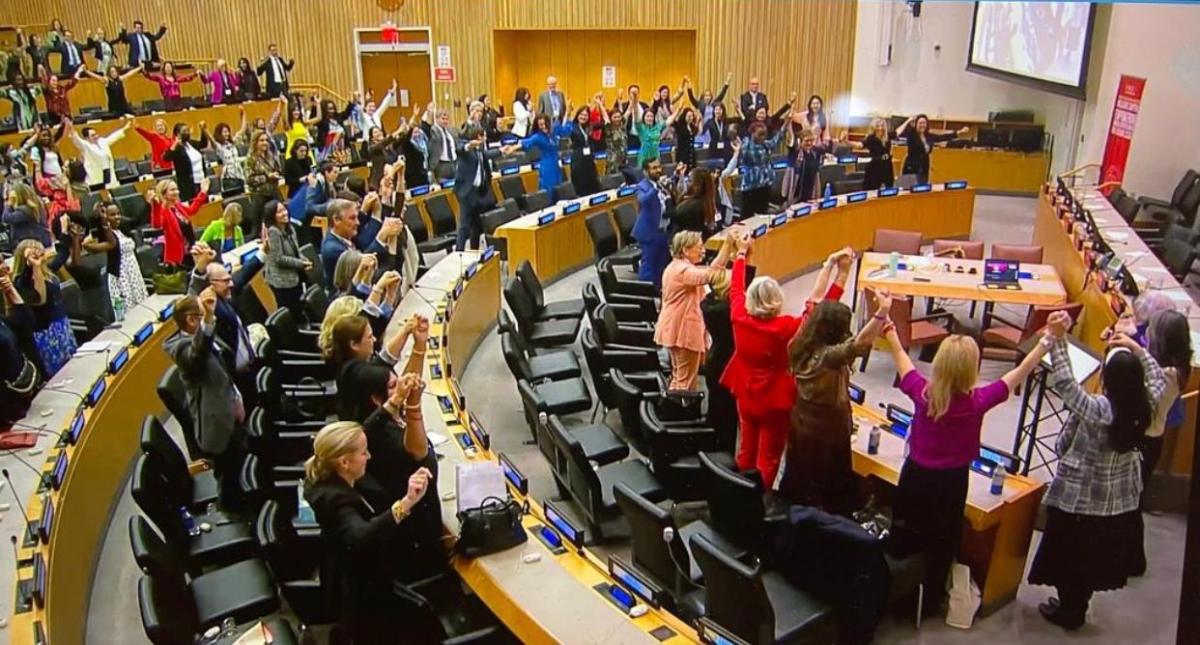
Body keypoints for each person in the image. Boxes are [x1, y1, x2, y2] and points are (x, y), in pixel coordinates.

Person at [883, 331, 1049, 612]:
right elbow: (1018, 373)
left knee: (905, 530)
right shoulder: (978, 402)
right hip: (952, 482)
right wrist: (1045, 344)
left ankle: (894, 590)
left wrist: (887, 328)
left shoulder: (922, 393)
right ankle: (932, 597)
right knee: (942, 539)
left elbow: (901, 356)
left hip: (915, 476)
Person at [1028, 312, 1165, 631]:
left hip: (1081, 500)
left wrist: (1059, 340)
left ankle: (1070, 611)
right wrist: (1136, 348)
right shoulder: (1145, 404)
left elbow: (1065, 384)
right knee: (1090, 561)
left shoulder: (1100, 409)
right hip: (1115, 502)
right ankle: (1077, 605)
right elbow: (1157, 378)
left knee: (1070, 558)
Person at [721, 240, 853, 493]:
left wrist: (741, 254)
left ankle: (737, 493)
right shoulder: (785, 327)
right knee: (768, 456)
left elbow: (735, 287)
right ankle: (759, 500)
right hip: (774, 400)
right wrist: (839, 272)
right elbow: (819, 313)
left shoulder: (738, 315)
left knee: (746, 448)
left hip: (745, 393)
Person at [303, 421, 444, 643]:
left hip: (351, 575)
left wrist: (393, 403)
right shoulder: (337, 500)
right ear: (345, 462)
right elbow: (361, 537)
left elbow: (366, 430)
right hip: (365, 594)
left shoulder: (327, 479)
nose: (369, 456)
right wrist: (406, 502)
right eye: (363, 452)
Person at [781, 282, 891, 510]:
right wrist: (882, 312)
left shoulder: (802, 343)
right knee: (825, 488)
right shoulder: (827, 357)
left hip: (802, 423)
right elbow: (859, 343)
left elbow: (814, 301)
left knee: (801, 477)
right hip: (826, 431)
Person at [166, 293, 246, 509]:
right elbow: (197, 353)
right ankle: (231, 524)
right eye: (203, 316)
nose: (213, 319)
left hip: (231, 413)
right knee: (229, 482)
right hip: (218, 426)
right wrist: (208, 320)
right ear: (192, 320)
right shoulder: (180, 348)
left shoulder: (198, 335)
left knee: (240, 470)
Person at [655, 231, 735, 395]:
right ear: (685, 250)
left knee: (680, 376)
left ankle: (679, 409)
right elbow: (712, 275)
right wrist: (733, 250)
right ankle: (681, 413)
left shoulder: (679, 267)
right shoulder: (682, 271)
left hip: (676, 328)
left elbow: (712, 270)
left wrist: (728, 246)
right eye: (699, 247)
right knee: (684, 380)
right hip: (681, 331)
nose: (703, 251)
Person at [1142, 310, 1191, 493]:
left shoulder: (1170, 374)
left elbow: (1148, 367)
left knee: (1132, 495)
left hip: (1146, 440)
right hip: (1148, 439)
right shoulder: (1178, 367)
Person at [11, 239, 76, 376]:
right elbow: (40, 299)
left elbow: (63, 254)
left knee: (72, 369)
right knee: (58, 375)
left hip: (62, 327)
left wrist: (64, 233)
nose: (39, 255)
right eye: (33, 254)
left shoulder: (48, 271)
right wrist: (34, 267)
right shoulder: (21, 281)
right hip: (46, 334)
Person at [80, 201, 148, 312]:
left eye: (118, 213)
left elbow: (136, 221)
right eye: (112, 215)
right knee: (128, 310)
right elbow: (87, 244)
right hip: (120, 276)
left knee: (142, 306)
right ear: (105, 216)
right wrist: (102, 221)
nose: (117, 217)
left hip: (134, 272)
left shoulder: (123, 228)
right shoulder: (103, 234)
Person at [320, 198, 398, 286]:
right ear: (337, 220)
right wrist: (382, 235)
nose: (357, 222)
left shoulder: (344, 235)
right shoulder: (333, 249)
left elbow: (365, 242)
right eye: (352, 218)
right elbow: (365, 265)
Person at [453, 124, 500, 252]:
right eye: (483, 136)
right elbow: (460, 149)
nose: (485, 138)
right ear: (478, 137)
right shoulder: (466, 146)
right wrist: (470, 145)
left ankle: (474, 251)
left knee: (477, 226)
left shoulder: (480, 151)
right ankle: (458, 254)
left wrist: (502, 151)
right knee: (464, 227)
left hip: (479, 192)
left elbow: (487, 157)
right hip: (466, 192)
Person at [503, 113, 570, 201]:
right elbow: (526, 142)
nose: (544, 126)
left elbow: (564, 128)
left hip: (556, 165)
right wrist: (512, 148)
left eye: (545, 123)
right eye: (541, 125)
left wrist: (568, 113)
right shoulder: (538, 137)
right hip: (547, 166)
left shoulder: (553, 131)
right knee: (549, 190)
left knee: (558, 188)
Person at [261, 199, 311, 315]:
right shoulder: (273, 232)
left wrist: (304, 260)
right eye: (279, 212)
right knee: (290, 312)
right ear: (272, 216)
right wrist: (301, 263)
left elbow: (296, 250)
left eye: (284, 209)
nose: (284, 213)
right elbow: (278, 258)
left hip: (295, 276)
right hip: (282, 280)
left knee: (299, 307)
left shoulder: (290, 228)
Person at [631, 159, 675, 288]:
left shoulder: (662, 184)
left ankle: (660, 291)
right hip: (649, 233)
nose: (658, 170)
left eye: (659, 167)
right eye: (654, 168)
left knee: (662, 265)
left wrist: (677, 175)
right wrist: (655, 188)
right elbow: (643, 201)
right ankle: (645, 296)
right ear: (646, 171)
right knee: (649, 267)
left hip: (664, 231)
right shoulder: (641, 187)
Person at [147, 177, 209, 266]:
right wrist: (155, 204)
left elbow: (192, 210)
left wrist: (203, 192)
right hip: (179, 256)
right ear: (164, 194)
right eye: (172, 190)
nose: (176, 192)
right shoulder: (164, 211)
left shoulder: (177, 206)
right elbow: (157, 225)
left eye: (176, 189)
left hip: (191, 250)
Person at [896, 114, 969, 185]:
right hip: (911, 168)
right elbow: (898, 133)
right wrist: (908, 121)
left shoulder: (928, 136)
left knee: (921, 190)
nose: (922, 125)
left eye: (924, 123)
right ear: (916, 124)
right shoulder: (912, 134)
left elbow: (942, 137)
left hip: (924, 168)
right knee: (908, 190)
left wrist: (959, 132)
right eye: (920, 123)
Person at [738, 120, 787, 219]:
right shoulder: (747, 145)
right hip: (751, 187)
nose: (763, 137)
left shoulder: (765, 144)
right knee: (747, 216)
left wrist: (786, 122)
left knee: (762, 214)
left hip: (765, 185)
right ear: (752, 133)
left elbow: (777, 139)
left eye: (764, 134)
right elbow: (741, 153)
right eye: (760, 134)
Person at [843, 117, 907, 190]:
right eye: (878, 126)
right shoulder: (871, 138)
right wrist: (847, 141)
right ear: (874, 127)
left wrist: (908, 121)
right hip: (875, 168)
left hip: (887, 168)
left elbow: (898, 131)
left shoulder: (888, 136)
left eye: (882, 126)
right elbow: (859, 145)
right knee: (872, 191)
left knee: (888, 190)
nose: (880, 128)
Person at [66, 118, 130, 189]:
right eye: (93, 135)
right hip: (96, 178)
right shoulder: (86, 146)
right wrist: (71, 128)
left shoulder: (102, 142)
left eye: (96, 134)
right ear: (87, 138)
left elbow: (113, 137)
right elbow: (76, 139)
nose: (96, 136)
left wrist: (125, 128)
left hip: (110, 176)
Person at [244, 130, 283, 235]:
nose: (265, 143)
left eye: (266, 140)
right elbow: (249, 179)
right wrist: (267, 177)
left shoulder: (271, 155)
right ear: (255, 142)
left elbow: (278, 169)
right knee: (259, 228)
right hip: (260, 195)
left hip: (274, 192)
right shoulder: (251, 159)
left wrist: (276, 174)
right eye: (261, 140)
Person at [164, 122, 211, 201]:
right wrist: (175, 144)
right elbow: (166, 158)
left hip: (202, 181)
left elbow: (203, 144)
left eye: (188, 130)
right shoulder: (177, 148)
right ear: (178, 134)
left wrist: (203, 130)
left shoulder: (191, 144)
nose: (187, 133)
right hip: (188, 185)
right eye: (184, 131)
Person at [782, 127, 828, 206]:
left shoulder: (815, 152)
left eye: (811, 141)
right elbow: (790, 141)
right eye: (807, 141)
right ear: (800, 141)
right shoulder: (795, 153)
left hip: (810, 190)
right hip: (796, 191)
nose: (809, 143)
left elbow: (826, 147)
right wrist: (789, 123)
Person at [566, 105, 601, 196]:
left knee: (593, 188)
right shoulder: (572, 127)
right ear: (577, 115)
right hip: (578, 161)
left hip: (589, 161)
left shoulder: (589, 127)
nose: (583, 117)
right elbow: (563, 128)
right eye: (581, 114)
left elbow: (605, 122)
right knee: (581, 188)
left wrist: (599, 105)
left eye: (586, 115)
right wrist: (567, 112)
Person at [3, 182, 52, 246]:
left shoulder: (25, 210)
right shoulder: (37, 204)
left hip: (32, 243)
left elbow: (6, 218)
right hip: (41, 239)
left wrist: (9, 205)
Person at [635, 103, 681, 170]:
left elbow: (668, 121)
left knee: (656, 175)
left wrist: (678, 110)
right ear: (644, 117)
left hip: (656, 156)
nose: (650, 118)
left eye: (651, 116)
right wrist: (634, 100)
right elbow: (636, 114)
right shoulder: (641, 127)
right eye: (647, 116)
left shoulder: (657, 127)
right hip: (645, 157)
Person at [421, 106, 460, 181]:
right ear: (437, 119)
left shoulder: (452, 131)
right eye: (443, 119)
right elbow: (426, 128)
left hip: (453, 163)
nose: (445, 121)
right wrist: (429, 115)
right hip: (441, 165)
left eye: (447, 119)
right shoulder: (433, 131)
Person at [673, 167, 716, 235]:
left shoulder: (690, 207)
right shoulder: (709, 202)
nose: (687, 183)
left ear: (697, 185)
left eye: (690, 180)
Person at [614, 85, 650, 150]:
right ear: (628, 94)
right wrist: (618, 100)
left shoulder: (644, 105)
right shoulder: (624, 105)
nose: (634, 95)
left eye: (636, 93)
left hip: (643, 136)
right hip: (630, 137)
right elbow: (618, 115)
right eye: (632, 93)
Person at [600, 105, 629, 178]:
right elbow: (605, 116)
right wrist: (600, 104)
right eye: (615, 117)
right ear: (611, 118)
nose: (617, 119)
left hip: (624, 160)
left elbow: (628, 111)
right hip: (613, 162)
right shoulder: (609, 128)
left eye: (619, 117)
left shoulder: (622, 127)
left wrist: (633, 98)